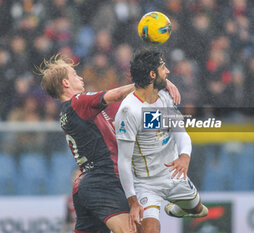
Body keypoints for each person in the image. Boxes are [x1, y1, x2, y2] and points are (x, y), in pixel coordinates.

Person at [36, 54, 180, 233]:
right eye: (74, 75)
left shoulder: (74, 112)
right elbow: (117, 94)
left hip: (87, 184)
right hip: (103, 182)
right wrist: (154, 83)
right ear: (66, 83)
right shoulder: (78, 102)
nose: (80, 77)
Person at [115, 48, 208, 233]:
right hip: (146, 183)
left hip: (173, 174)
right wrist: (133, 201)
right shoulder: (129, 111)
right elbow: (123, 161)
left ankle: (178, 209)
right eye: (163, 67)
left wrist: (184, 157)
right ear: (152, 74)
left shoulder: (164, 97)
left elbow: (180, 132)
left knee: (200, 210)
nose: (168, 72)